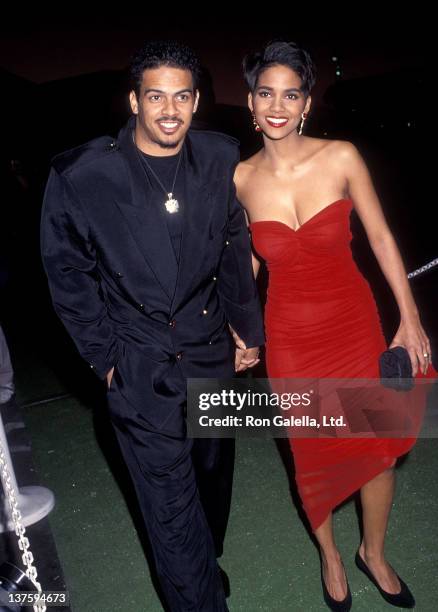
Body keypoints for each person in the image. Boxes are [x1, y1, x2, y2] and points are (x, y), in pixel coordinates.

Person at [41, 40, 263, 611]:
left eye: (182, 96)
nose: (170, 110)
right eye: (156, 96)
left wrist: (247, 329)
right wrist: (107, 360)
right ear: (134, 101)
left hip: (210, 353)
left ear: (196, 101)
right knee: (169, 510)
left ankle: (203, 564)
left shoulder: (218, 158)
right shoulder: (85, 174)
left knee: (211, 481)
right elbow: (67, 273)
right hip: (139, 367)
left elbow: (236, 246)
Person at [234, 40, 435, 611]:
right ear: (251, 103)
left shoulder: (341, 156)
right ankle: (328, 555)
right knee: (313, 451)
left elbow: (381, 237)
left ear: (306, 104)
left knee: (378, 446)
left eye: (290, 94)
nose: (277, 105)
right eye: (266, 93)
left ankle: (373, 552)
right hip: (292, 339)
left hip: (354, 324)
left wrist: (410, 318)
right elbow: (244, 266)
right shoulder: (240, 179)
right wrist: (238, 330)